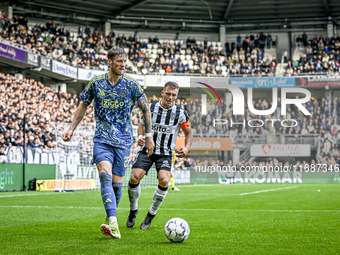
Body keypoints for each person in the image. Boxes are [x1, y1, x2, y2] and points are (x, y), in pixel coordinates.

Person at [63, 47, 154, 239]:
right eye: (119, 61)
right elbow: (82, 106)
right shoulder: (96, 83)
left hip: (123, 141)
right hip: (102, 139)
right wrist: (71, 128)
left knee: (116, 185)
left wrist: (149, 135)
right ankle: (113, 222)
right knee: (104, 176)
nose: (123, 64)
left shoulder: (131, 84)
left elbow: (146, 109)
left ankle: (109, 215)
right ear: (110, 62)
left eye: (125, 61)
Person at [127, 81, 192, 229]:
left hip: (166, 153)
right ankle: (133, 210)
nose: (170, 97)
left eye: (173, 95)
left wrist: (187, 147)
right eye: (168, 94)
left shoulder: (180, 113)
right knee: (134, 177)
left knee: (164, 180)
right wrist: (141, 137)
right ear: (162, 93)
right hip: (147, 150)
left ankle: (150, 215)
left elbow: (188, 132)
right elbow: (142, 125)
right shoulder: (151, 107)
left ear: (176, 96)